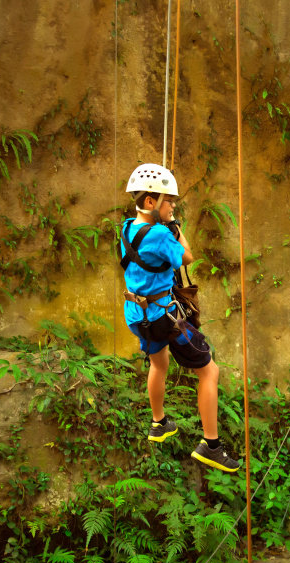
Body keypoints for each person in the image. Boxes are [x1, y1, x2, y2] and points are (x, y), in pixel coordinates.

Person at [119, 163, 240, 473]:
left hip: (136, 314)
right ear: (151, 202)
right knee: (209, 370)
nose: (172, 206)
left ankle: (158, 423)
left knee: (159, 364)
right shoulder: (160, 233)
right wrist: (175, 225)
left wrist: (167, 222)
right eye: (168, 200)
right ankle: (211, 446)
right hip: (162, 316)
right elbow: (186, 256)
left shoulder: (127, 227)